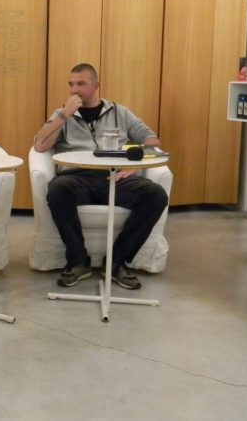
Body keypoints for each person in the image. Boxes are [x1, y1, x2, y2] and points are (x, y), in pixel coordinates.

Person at [33, 63, 168, 290]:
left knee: (156, 195)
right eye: (71, 85)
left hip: (114, 177)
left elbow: (152, 141)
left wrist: (134, 166)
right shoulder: (63, 114)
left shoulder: (119, 112)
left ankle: (117, 261)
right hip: (76, 178)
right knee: (57, 190)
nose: (74, 90)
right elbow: (39, 145)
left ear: (96, 86)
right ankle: (78, 260)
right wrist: (64, 115)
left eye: (81, 84)